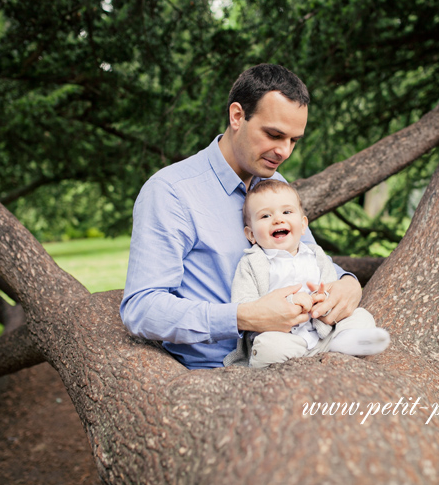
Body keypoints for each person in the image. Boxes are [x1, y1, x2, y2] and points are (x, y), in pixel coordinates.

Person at [120, 64, 363, 369]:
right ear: (237, 116)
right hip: (220, 376)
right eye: (274, 134)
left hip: (303, 354)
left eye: (293, 140)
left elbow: (309, 255)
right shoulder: (171, 192)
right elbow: (142, 309)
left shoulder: (277, 187)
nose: (284, 151)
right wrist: (244, 316)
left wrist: (347, 283)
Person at [223, 180, 390, 368]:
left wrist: (322, 298)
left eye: (287, 212)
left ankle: (341, 344)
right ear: (251, 234)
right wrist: (289, 303)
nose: (278, 219)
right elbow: (243, 305)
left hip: (323, 334)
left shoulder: (316, 255)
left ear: (303, 225)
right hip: (284, 338)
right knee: (268, 346)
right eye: (265, 216)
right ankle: (291, 360)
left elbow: (331, 288)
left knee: (362, 316)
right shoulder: (251, 264)